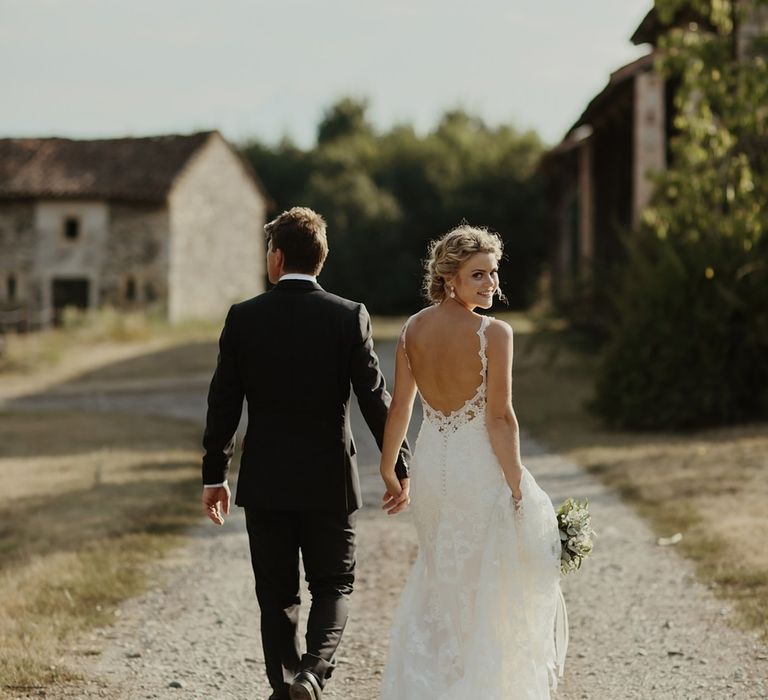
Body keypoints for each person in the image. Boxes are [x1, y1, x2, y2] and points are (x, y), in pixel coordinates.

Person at [200, 207, 411, 700]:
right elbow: (375, 397)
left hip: (266, 476)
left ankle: (287, 684)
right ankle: (314, 674)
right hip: (328, 478)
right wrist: (397, 466)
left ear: (276, 257)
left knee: (276, 594)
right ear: (321, 257)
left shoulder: (243, 317)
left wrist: (215, 473)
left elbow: (223, 402)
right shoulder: (348, 315)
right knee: (334, 583)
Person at [378, 224, 567, 699]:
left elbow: (400, 408)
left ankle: (437, 682)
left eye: (493, 274)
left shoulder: (412, 329)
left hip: (430, 466)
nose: (490, 285)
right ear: (450, 278)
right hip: (475, 468)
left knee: (442, 575)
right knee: (484, 582)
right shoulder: (493, 333)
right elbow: (500, 418)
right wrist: (519, 484)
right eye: (478, 275)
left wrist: (390, 467)